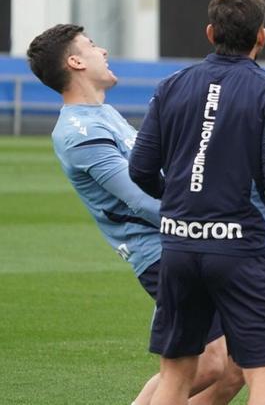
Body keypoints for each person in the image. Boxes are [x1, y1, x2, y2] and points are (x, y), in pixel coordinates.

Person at [26, 24, 245, 404]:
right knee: (208, 364)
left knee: (235, 368)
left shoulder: (103, 113)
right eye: (92, 45)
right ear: (75, 61)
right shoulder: (79, 131)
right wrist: (208, 227)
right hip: (163, 253)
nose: (103, 50)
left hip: (184, 243)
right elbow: (139, 200)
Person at [129, 0, 265, 405]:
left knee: (174, 376)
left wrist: (177, 196)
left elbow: (140, 168)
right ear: (261, 36)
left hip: (177, 246)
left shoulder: (172, 84)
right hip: (241, 251)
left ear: (210, 32)